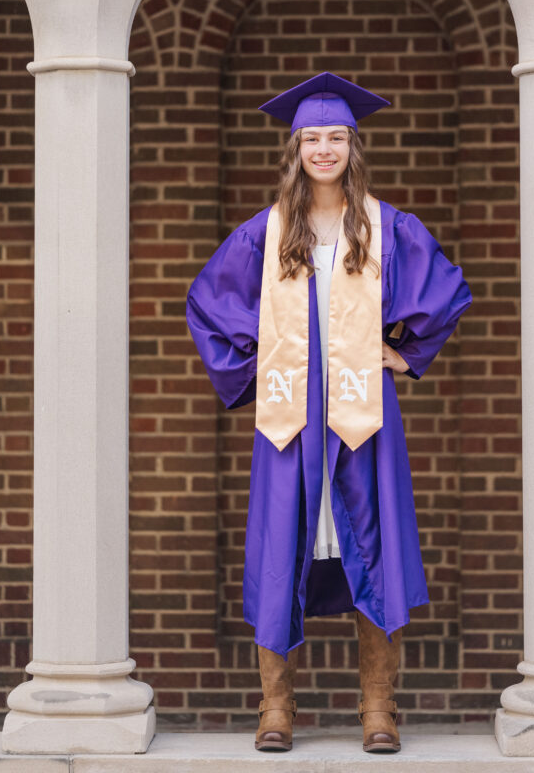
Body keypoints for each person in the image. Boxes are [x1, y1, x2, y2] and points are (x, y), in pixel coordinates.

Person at [186, 71, 472, 753]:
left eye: (335, 137)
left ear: (352, 145)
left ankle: (378, 711)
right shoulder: (265, 233)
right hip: (290, 422)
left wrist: (402, 356)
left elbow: (447, 292)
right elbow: (207, 303)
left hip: (361, 417)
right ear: (294, 148)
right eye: (311, 137)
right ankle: (275, 710)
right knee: (283, 547)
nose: (323, 148)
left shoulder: (385, 226)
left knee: (369, 547)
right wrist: (260, 363)